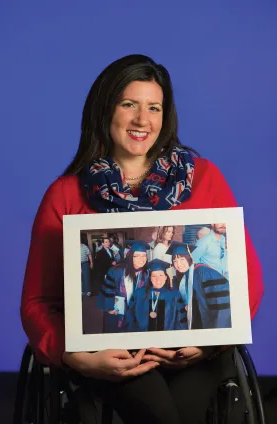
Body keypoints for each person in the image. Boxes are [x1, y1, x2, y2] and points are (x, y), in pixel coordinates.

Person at [20, 54, 264, 424]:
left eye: (154, 107)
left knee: (180, 408)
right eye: (129, 104)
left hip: (195, 350)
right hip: (112, 353)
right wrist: (74, 356)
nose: (142, 120)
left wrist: (210, 343)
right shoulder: (66, 194)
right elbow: (38, 302)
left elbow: (248, 280)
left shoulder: (204, 178)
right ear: (105, 111)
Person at [166, 241, 231, 330]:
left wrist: (219, 329)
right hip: (196, 322)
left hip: (211, 323)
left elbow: (220, 300)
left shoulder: (203, 272)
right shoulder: (184, 275)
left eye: (182, 259)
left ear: (189, 258)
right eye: (175, 261)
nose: (178, 264)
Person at [98, 241, 150, 333]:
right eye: (137, 256)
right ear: (130, 256)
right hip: (117, 311)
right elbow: (108, 290)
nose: (141, 259)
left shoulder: (147, 273)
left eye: (143, 255)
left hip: (135, 312)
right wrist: (109, 307)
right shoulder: (117, 271)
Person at [124, 259, 187, 332]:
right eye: (154, 276)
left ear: (166, 277)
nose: (158, 279)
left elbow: (181, 320)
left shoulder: (174, 295)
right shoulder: (139, 293)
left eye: (161, 275)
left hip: (167, 338)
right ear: (150, 278)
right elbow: (129, 315)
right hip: (142, 337)